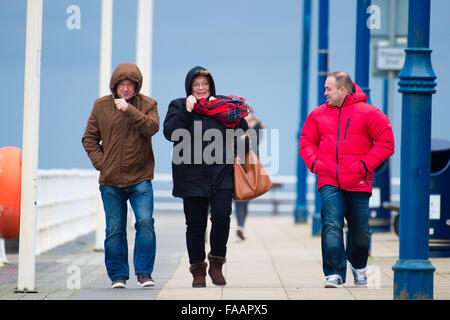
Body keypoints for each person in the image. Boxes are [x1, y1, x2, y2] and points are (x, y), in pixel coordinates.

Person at [299, 71, 394, 288]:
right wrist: (315, 165)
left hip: (358, 181)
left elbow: (386, 143)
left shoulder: (370, 113)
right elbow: (306, 141)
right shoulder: (317, 115)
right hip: (329, 180)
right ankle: (334, 273)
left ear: (343, 90)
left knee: (360, 232)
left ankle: (359, 267)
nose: (325, 93)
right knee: (331, 226)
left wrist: (364, 166)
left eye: (328, 89)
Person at [163, 66, 248, 288]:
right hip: (190, 176)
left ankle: (217, 263)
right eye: (196, 85)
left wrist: (240, 112)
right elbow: (169, 133)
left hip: (221, 174)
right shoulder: (178, 105)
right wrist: (187, 111)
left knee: (222, 219)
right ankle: (198, 270)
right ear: (190, 87)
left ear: (211, 86)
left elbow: (241, 126)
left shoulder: (221, 104)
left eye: (205, 84)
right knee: (195, 225)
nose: (201, 88)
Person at [82, 63, 160, 289]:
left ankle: (144, 273)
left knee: (145, 222)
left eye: (130, 85)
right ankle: (118, 275)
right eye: (122, 85)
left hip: (141, 178)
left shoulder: (148, 104)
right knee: (114, 228)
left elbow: (151, 128)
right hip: (111, 181)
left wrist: (129, 109)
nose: (125, 89)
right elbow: (89, 139)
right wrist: (102, 163)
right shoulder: (101, 106)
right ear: (115, 86)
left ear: (137, 87)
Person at [233, 104, 266, 241]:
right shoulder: (236, 125)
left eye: (249, 112)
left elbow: (255, 141)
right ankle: (240, 226)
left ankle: (241, 226)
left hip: (250, 166)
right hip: (236, 165)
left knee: (245, 198)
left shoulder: (258, 126)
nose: (247, 115)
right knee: (238, 197)